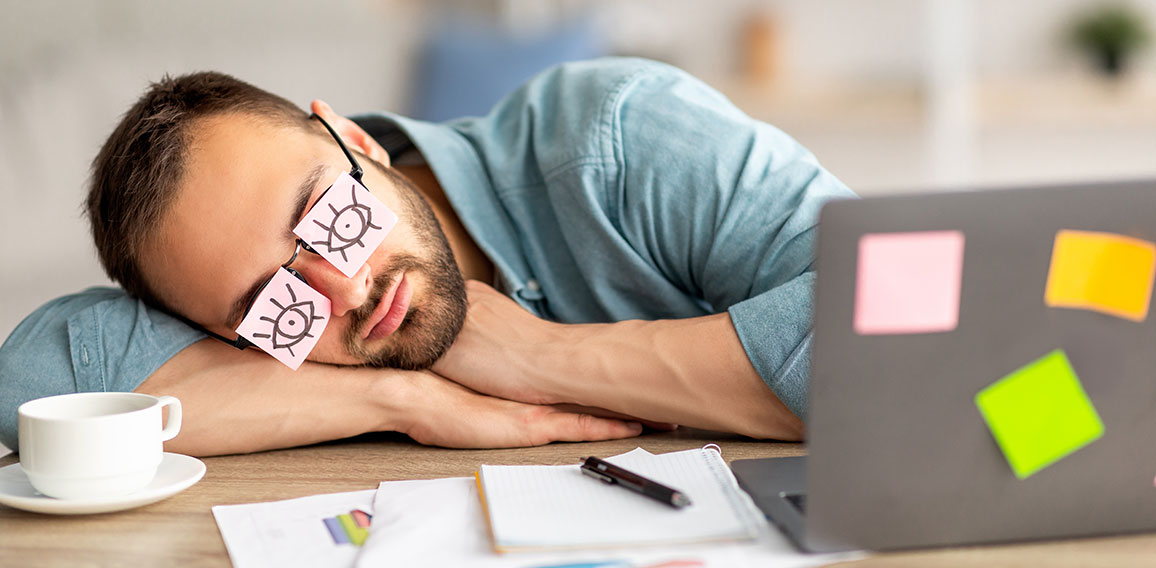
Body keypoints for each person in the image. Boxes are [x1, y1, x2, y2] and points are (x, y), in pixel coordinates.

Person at [0, 57, 855, 456]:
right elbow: (26, 386)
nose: (342, 289)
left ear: (357, 142)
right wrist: (400, 395)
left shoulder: (614, 138)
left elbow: (922, 328)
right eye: (274, 305)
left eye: (323, 215)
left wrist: (542, 356)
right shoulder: (270, 343)